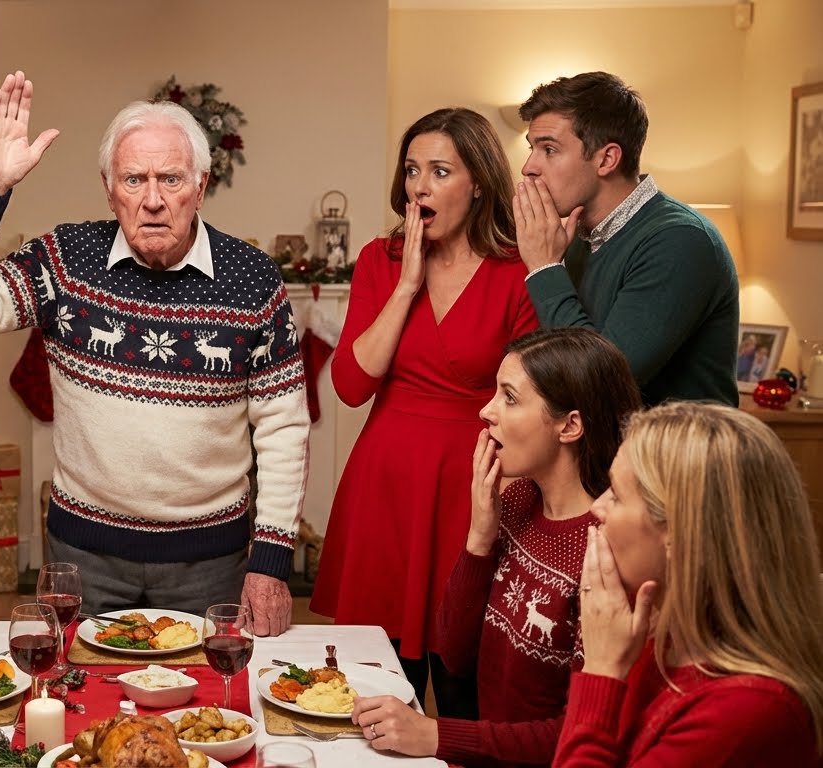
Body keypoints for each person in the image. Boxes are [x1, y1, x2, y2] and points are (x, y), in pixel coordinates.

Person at [0, 72, 309, 636]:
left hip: (210, 566)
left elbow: (283, 427)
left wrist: (271, 562)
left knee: (210, 713)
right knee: (83, 712)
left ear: (200, 186)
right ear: (110, 190)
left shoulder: (251, 279)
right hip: (83, 561)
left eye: (170, 178)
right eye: (134, 179)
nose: (152, 199)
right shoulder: (66, 260)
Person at [309, 107, 538, 714]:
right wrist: (407, 285)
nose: (420, 185)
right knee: (373, 688)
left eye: (440, 171)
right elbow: (352, 386)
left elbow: (537, 398)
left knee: (466, 687)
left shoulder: (517, 272)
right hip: (386, 492)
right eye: (412, 170)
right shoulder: (379, 261)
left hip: (477, 489)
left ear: (481, 183)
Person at [352, 327, 641, 766]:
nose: (486, 412)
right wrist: (479, 539)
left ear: (570, 425)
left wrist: (435, 734)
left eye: (509, 397)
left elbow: (588, 729)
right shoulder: (521, 500)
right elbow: (454, 655)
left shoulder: (608, 549)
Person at [554, 402, 823, 764]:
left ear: (679, 533)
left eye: (616, 494)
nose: (597, 508)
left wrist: (602, 669)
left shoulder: (748, 709)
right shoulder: (656, 629)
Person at [513, 72, 738, 406]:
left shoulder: (680, 240)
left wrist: (546, 268)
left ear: (607, 159)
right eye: (532, 149)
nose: (528, 167)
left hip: (676, 456)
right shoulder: (576, 238)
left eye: (549, 149)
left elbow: (602, 383)